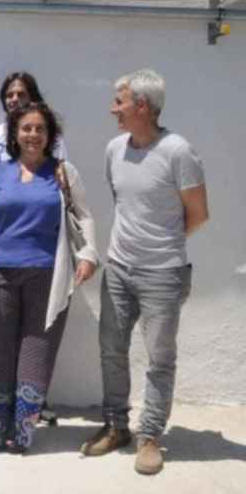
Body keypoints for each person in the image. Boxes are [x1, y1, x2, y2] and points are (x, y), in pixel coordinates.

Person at [80, 69, 208, 475]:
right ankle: (117, 425)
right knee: (112, 350)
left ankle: (150, 436)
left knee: (159, 359)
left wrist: (161, 246)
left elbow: (198, 214)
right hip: (118, 269)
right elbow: (123, 202)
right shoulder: (115, 149)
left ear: (142, 106)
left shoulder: (178, 151)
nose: (112, 109)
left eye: (119, 102)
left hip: (163, 275)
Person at [0, 102, 98, 453]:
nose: (32, 135)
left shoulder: (63, 173)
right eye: (26, 128)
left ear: (49, 135)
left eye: (39, 129)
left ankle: (24, 431)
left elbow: (85, 217)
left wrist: (88, 255)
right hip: (0, 276)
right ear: (15, 133)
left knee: (36, 351)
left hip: (47, 275)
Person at [0, 72, 68, 161]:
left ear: (32, 98)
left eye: (21, 94)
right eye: (9, 95)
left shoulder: (50, 135)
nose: (14, 99)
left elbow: (61, 168)